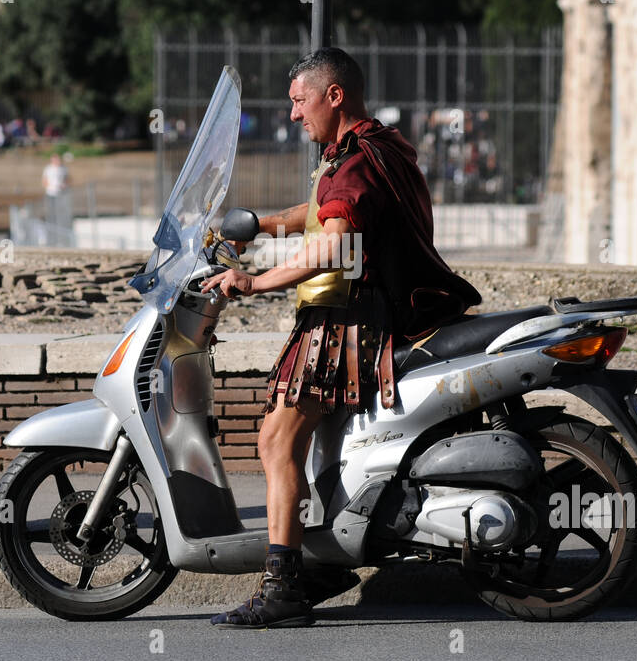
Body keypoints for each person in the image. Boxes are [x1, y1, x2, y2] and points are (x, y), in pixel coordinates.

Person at [200, 47, 481, 629]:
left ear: (335, 96)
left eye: (300, 102)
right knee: (316, 444)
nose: (294, 115)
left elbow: (333, 244)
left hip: (345, 323)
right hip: (363, 314)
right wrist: (261, 225)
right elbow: (324, 212)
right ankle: (321, 557)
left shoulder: (353, 162)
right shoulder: (380, 147)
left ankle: (283, 588)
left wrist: (254, 283)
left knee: (277, 441)